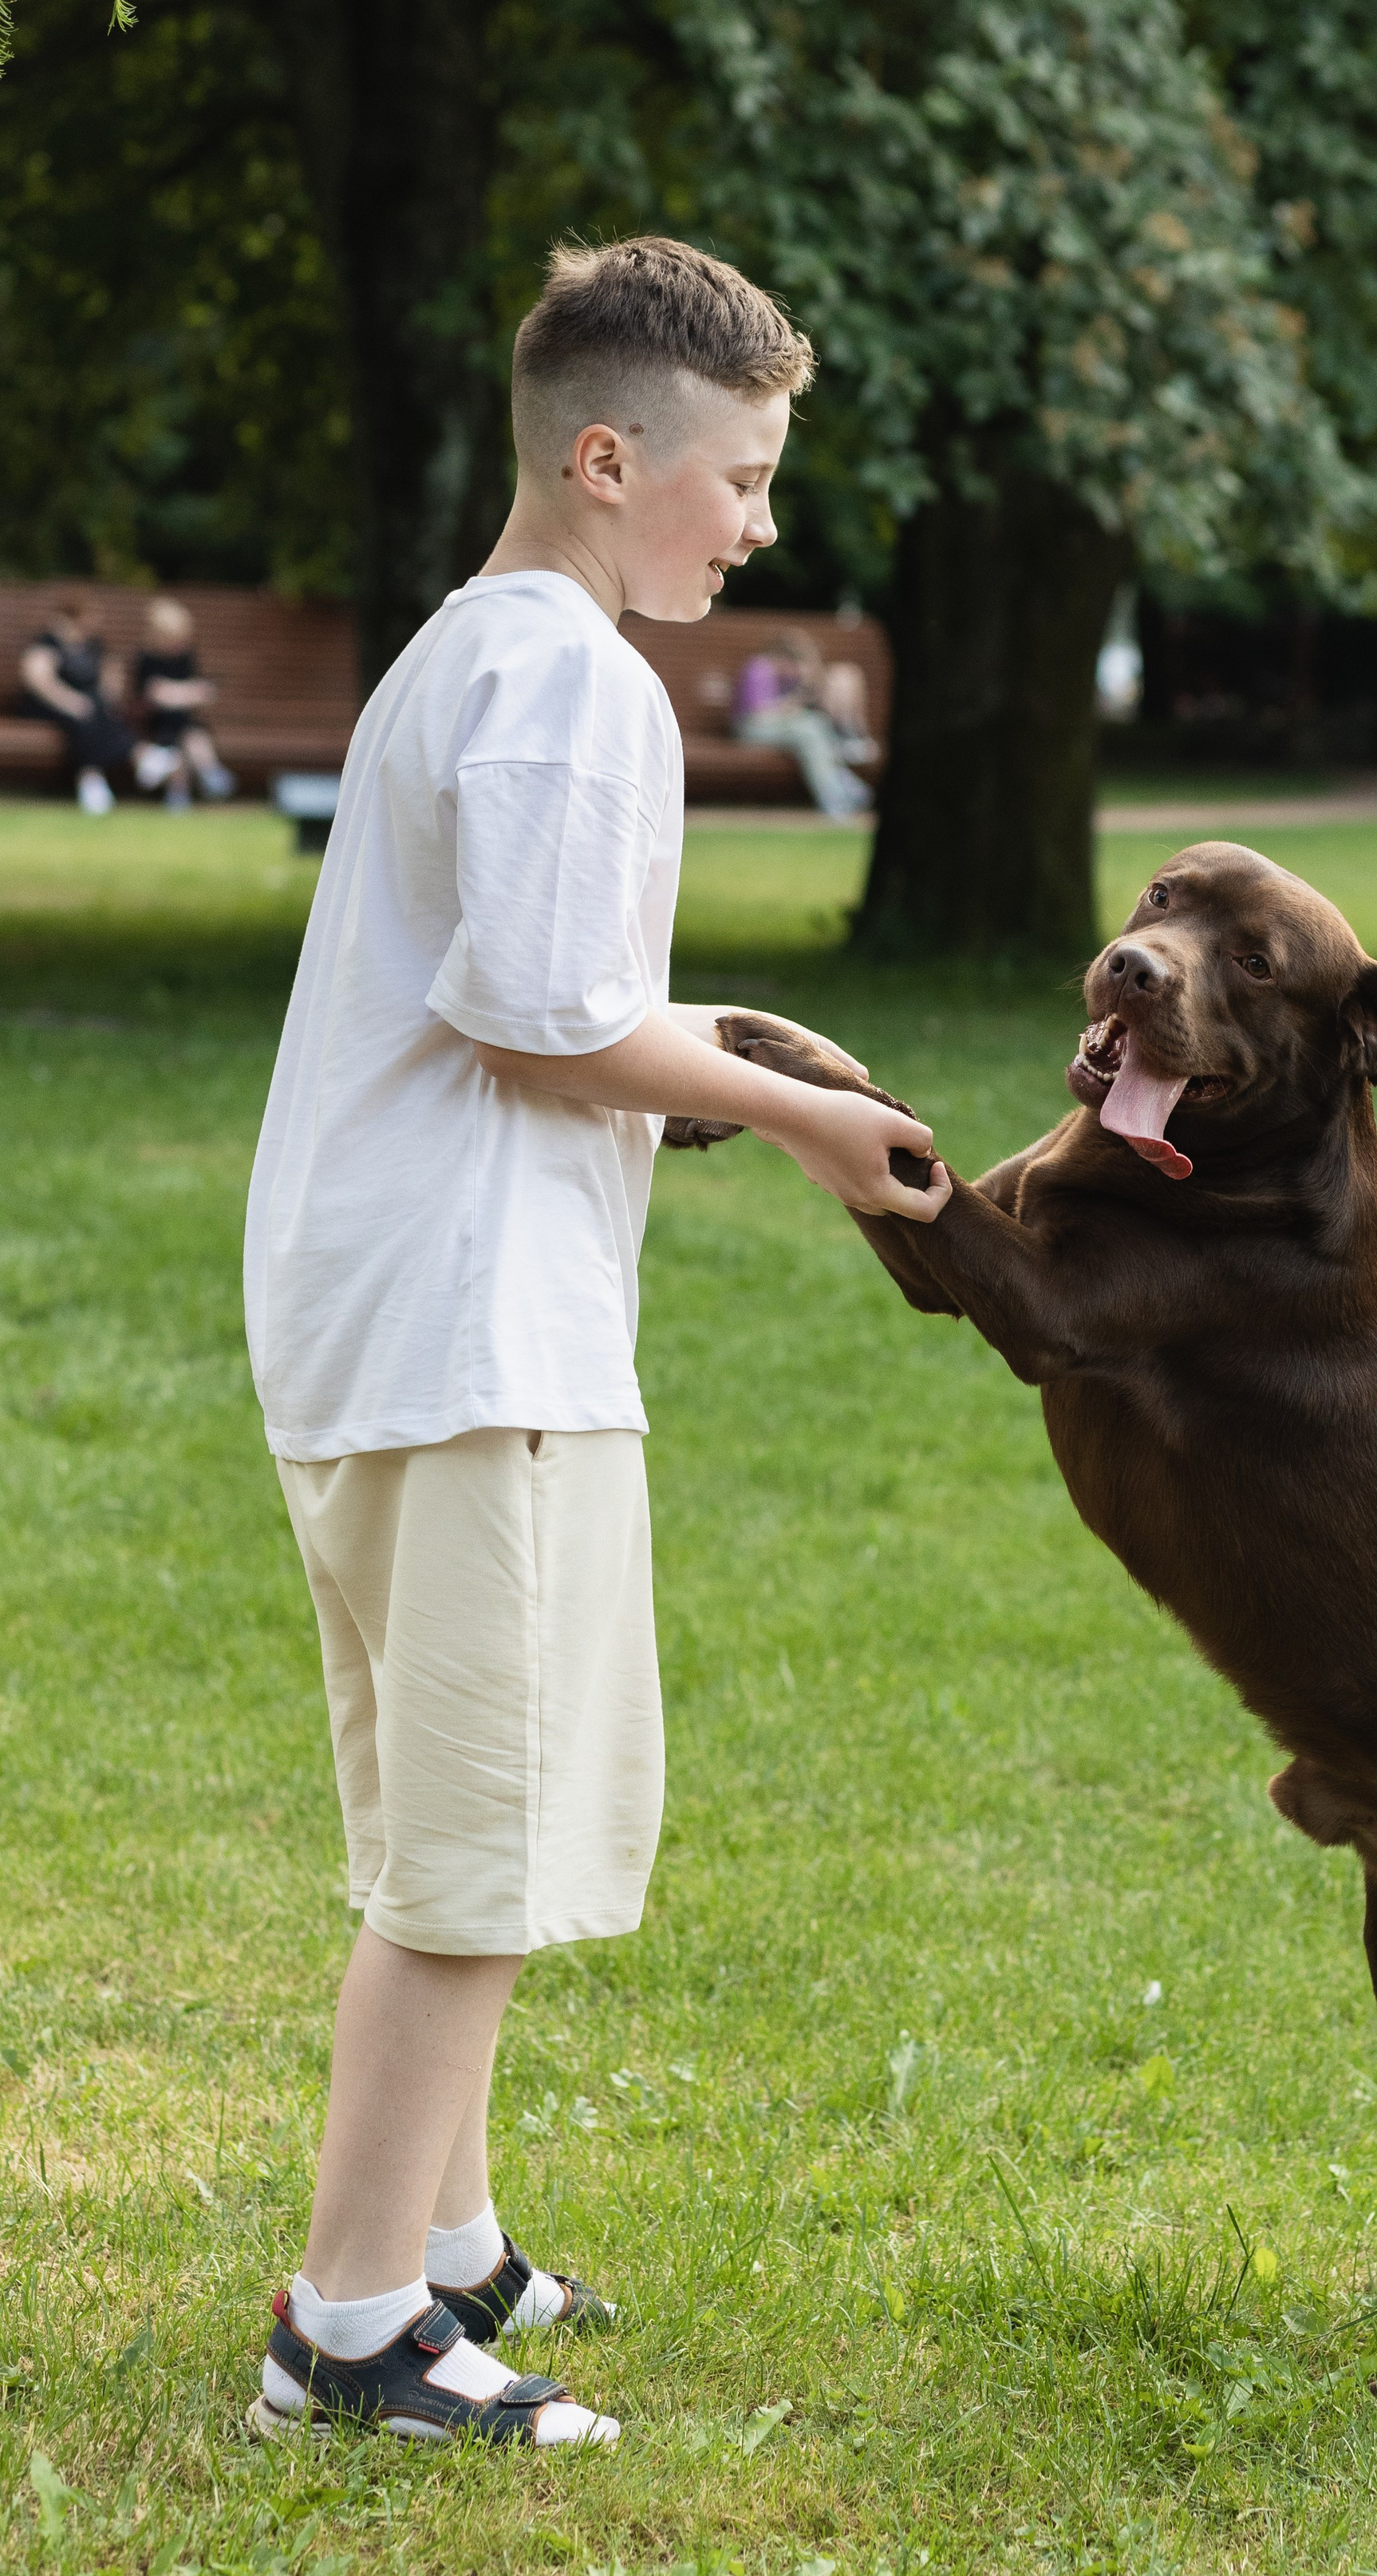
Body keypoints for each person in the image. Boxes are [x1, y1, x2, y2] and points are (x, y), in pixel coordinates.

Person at [242, 234, 951, 2449]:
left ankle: (446, 2244)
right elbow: (548, 1035)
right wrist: (814, 1121)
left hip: (382, 1327)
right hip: (482, 1344)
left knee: (438, 1817)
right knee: (481, 1848)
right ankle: (349, 2330)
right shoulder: (573, 678)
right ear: (609, 452)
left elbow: (532, 995)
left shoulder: (468, 651)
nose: (758, 523)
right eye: (737, 478)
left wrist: (714, 1045)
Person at [732, 626, 873, 817]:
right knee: (809, 731)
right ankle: (836, 798)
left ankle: (842, 787)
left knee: (815, 727)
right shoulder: (759, 668)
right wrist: (790, 705)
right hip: (750, 728)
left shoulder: (784, 676)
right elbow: (757, 713)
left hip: (778, 727)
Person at [18, 595, 132, 814]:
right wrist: (71, 702)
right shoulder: (48, 642)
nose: (95, 622)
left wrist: (110, 684)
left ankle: (91, 776)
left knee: (96, 712)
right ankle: (117, 765)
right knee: (81, 715)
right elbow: (40, 682)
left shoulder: (94, 646)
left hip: (87, 708)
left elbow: (108, 685)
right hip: (49, 705)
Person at [131, 598, 237, 808]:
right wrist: (185, 693)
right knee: (175, 743)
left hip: (183, 719)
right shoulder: (145, 659)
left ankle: (209, 771)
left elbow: (200, 691)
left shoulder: (186, 656)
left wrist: (175, 694)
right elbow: (155, 694)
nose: (178, 645)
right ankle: (180, 789)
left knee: (193, 735)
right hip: (154, 722)